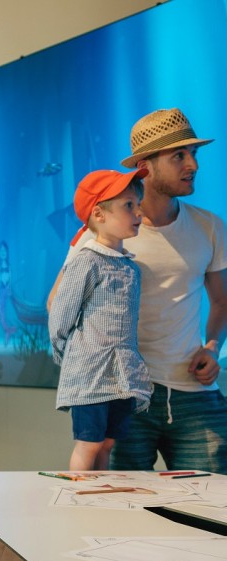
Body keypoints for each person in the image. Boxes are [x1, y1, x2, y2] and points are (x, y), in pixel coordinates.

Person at [50, 108, 227, 472]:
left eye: (194, 153)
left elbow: (222, 301)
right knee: (119, 508)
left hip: (194, 394)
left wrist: (213, 348)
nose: (192, 164)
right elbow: (59, 302)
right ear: (145, 166)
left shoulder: (209, 225)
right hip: (123, 390)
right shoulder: (101, 232)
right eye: (179, 155)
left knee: (211, 509)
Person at [48, 169, 152, 470]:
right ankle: (80, 499)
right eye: (128, 205)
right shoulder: (87, 261)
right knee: (89, 442)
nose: (138, 213)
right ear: (99, 213)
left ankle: (100, 495)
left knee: (108, 442)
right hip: (90, 372)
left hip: (122, 374)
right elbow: (62, 314)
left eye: (138, 205)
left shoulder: (132, 268)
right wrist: (68, 354)